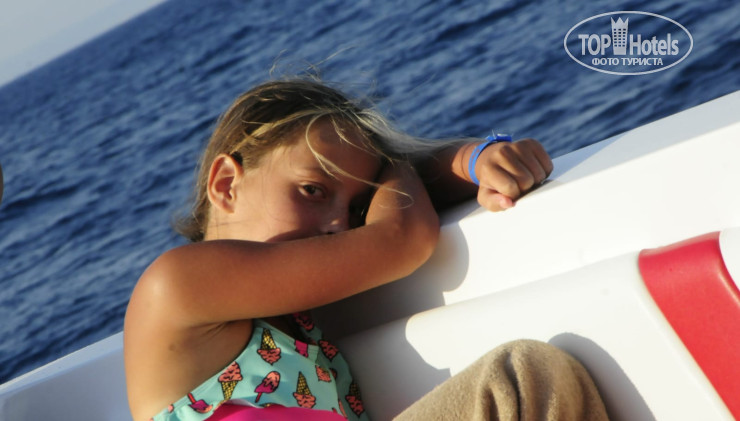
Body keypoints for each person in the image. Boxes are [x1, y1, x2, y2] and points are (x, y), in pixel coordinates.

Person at [124, 78, 608, 421]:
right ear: (226, 184)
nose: (339, 224)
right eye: (312, 190)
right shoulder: (181, 284)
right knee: (522, 378)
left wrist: (476, 160)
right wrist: (399, 160)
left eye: (357, 207)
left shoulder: (296, 313)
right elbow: (401, 237)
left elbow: (399, 218)